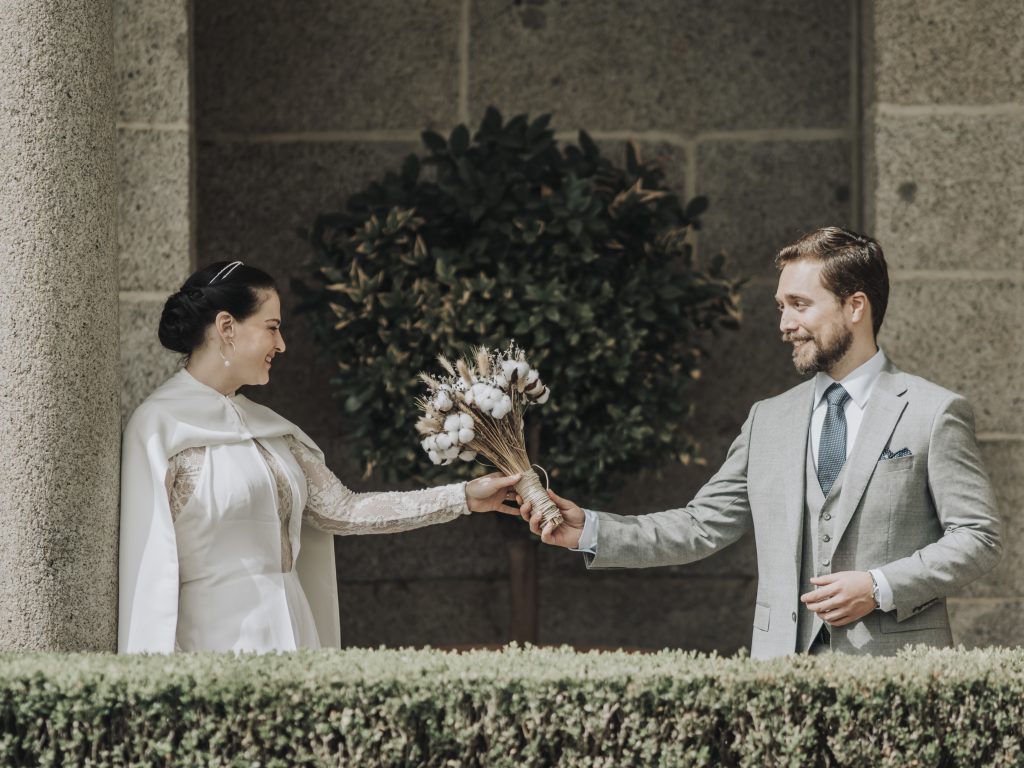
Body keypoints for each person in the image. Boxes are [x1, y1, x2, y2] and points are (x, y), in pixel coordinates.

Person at [520, 227, 1002, 658]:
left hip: (898, 674)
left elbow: (978, 538)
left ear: (856, 306)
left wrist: (879, 586)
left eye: (800, 305)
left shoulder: (933, 411)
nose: (784, 325)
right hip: (781, 674)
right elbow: (700, 525)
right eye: (781, 307)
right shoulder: (768, 419)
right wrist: (591, 530)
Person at [119, 260, 520, 653]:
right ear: (227, 327)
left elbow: (343, 510)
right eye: (272, 328)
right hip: (213, 645)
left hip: (295, 634)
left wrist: (463, 497)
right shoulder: (158, 429)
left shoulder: (270, 429)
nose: (282, 345)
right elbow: (148, 573)